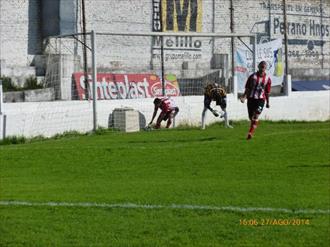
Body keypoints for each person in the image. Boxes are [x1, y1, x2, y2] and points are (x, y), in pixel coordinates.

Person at [240, 61, 271, 140]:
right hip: (251, 99)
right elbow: (248, 88)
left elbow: (267, 92)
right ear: (258, 67)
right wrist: (244, 97)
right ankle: (252, 128)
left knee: (256, 114)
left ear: (266, 68)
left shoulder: (267, 79)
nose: (262, 68)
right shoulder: (252, 77)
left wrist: (267, 102)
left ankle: (250, 133)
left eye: (264, 67)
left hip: (261, 99)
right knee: (251, 117)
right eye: (261, 66)